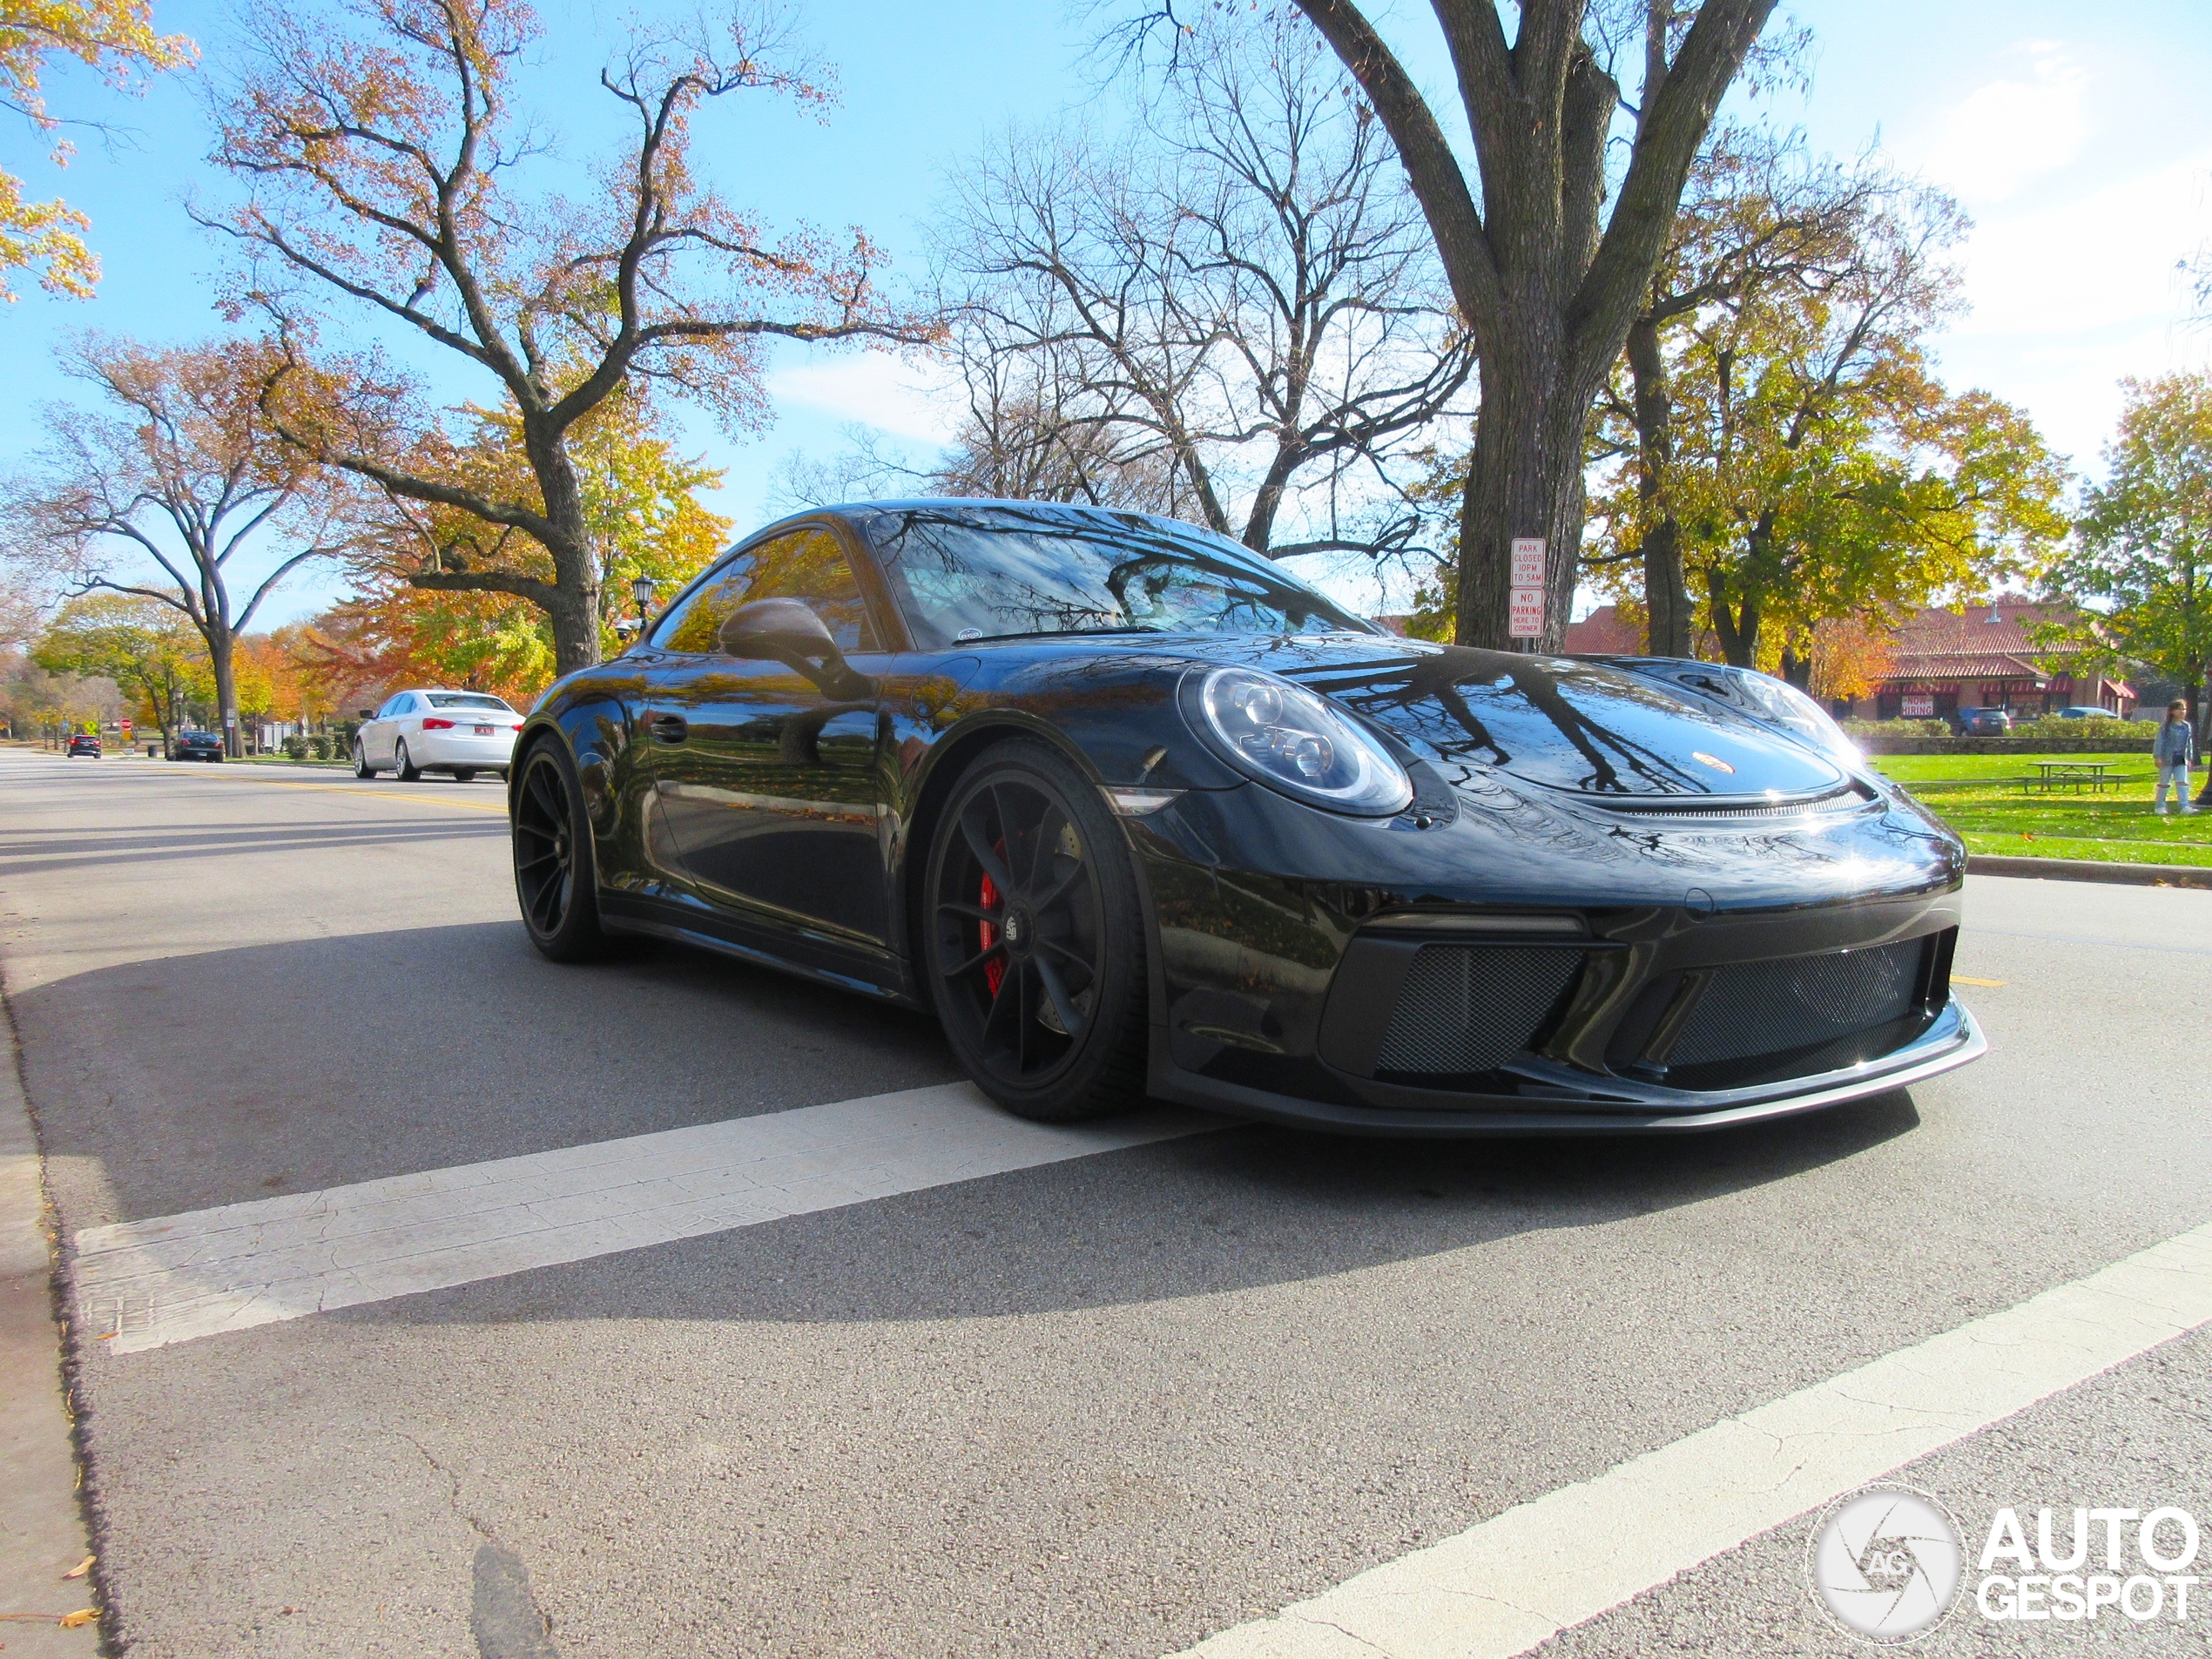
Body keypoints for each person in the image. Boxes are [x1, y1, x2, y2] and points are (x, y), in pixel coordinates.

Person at [2152, 698, 2195, 814]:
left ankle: (2184, 806)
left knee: (2182, 782)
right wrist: (2158, 757)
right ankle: (2160, 806)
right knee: (2164, 783)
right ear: (2172, 711)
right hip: (2167, 759)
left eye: (2184, 709)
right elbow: (2160, 742)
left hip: (2181, 759)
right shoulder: (2166, 727)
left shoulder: (2187, 726)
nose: (2182, 711)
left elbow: (2189, 743)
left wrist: (2189, 758)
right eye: (2179, 709)